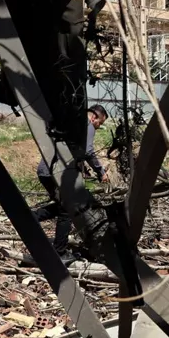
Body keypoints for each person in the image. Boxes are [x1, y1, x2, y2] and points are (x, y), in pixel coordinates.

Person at [35, 104, 110, 247]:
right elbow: (88, 151)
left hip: (46, 170)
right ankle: (60, 250)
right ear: (94, 117)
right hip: (55, 172)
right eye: (100, 123)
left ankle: (30, 218)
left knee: (63, 205)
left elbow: (73, 150)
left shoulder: (72, 123)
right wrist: (100, 172)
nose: (98, 127)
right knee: (67, 209)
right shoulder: (87, 124)